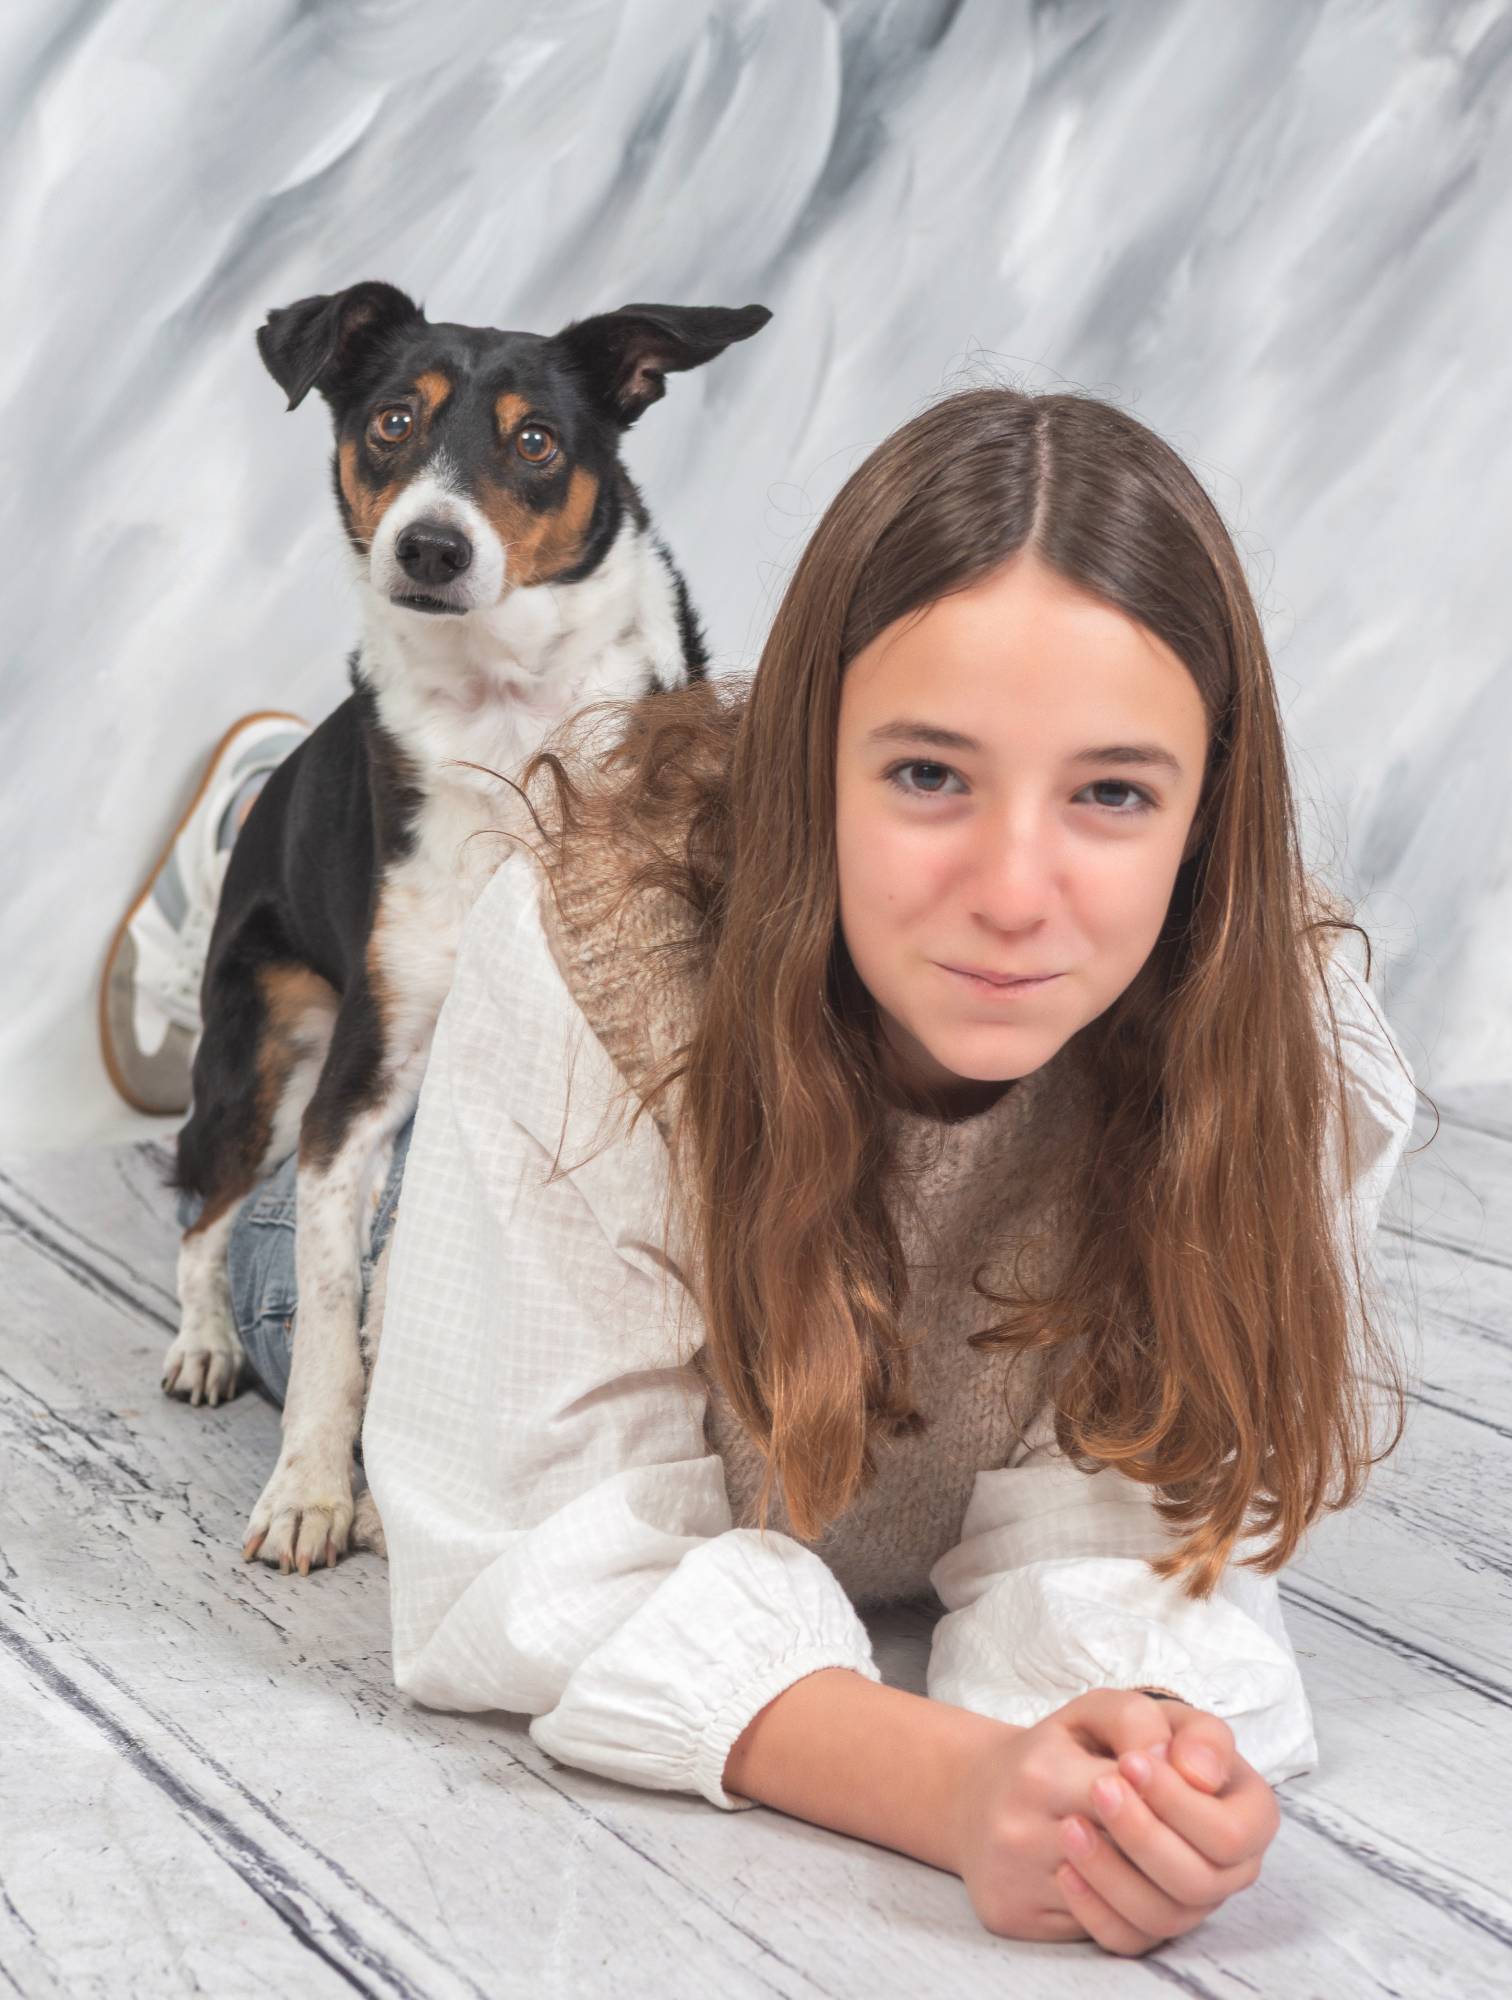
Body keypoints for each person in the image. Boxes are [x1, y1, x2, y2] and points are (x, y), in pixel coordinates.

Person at [113, 385, 1422, 1956]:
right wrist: (950, 1786)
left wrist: (1118, 1767)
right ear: (811, 760)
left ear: (1208, 815)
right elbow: (525, 1547)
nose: (1016, 895)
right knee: (309, 1249)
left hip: (827, 1445)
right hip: (475, 1221)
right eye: (929, 775)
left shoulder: (1274, 1022)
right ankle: (260, 827)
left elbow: (1141, 1518)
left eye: (1113, 792)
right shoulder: (595, 945)